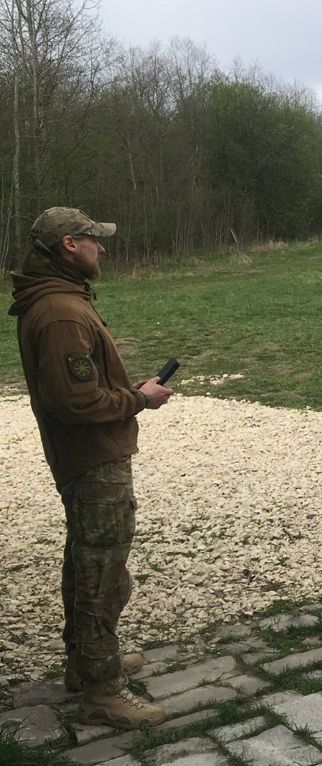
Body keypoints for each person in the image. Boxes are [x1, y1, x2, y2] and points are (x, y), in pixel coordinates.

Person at [10, 207, 172, 729]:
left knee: (85, 561)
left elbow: (77, 391)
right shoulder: (61, 312)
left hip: (87, 455)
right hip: (93, 458)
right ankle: (102, 691)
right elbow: (76, 403)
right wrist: (139, 399)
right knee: (102, 574)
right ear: (69, 245)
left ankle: (84, 664)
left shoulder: (60, 299)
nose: (101, 248)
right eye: (93, 240)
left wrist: (127, 393)